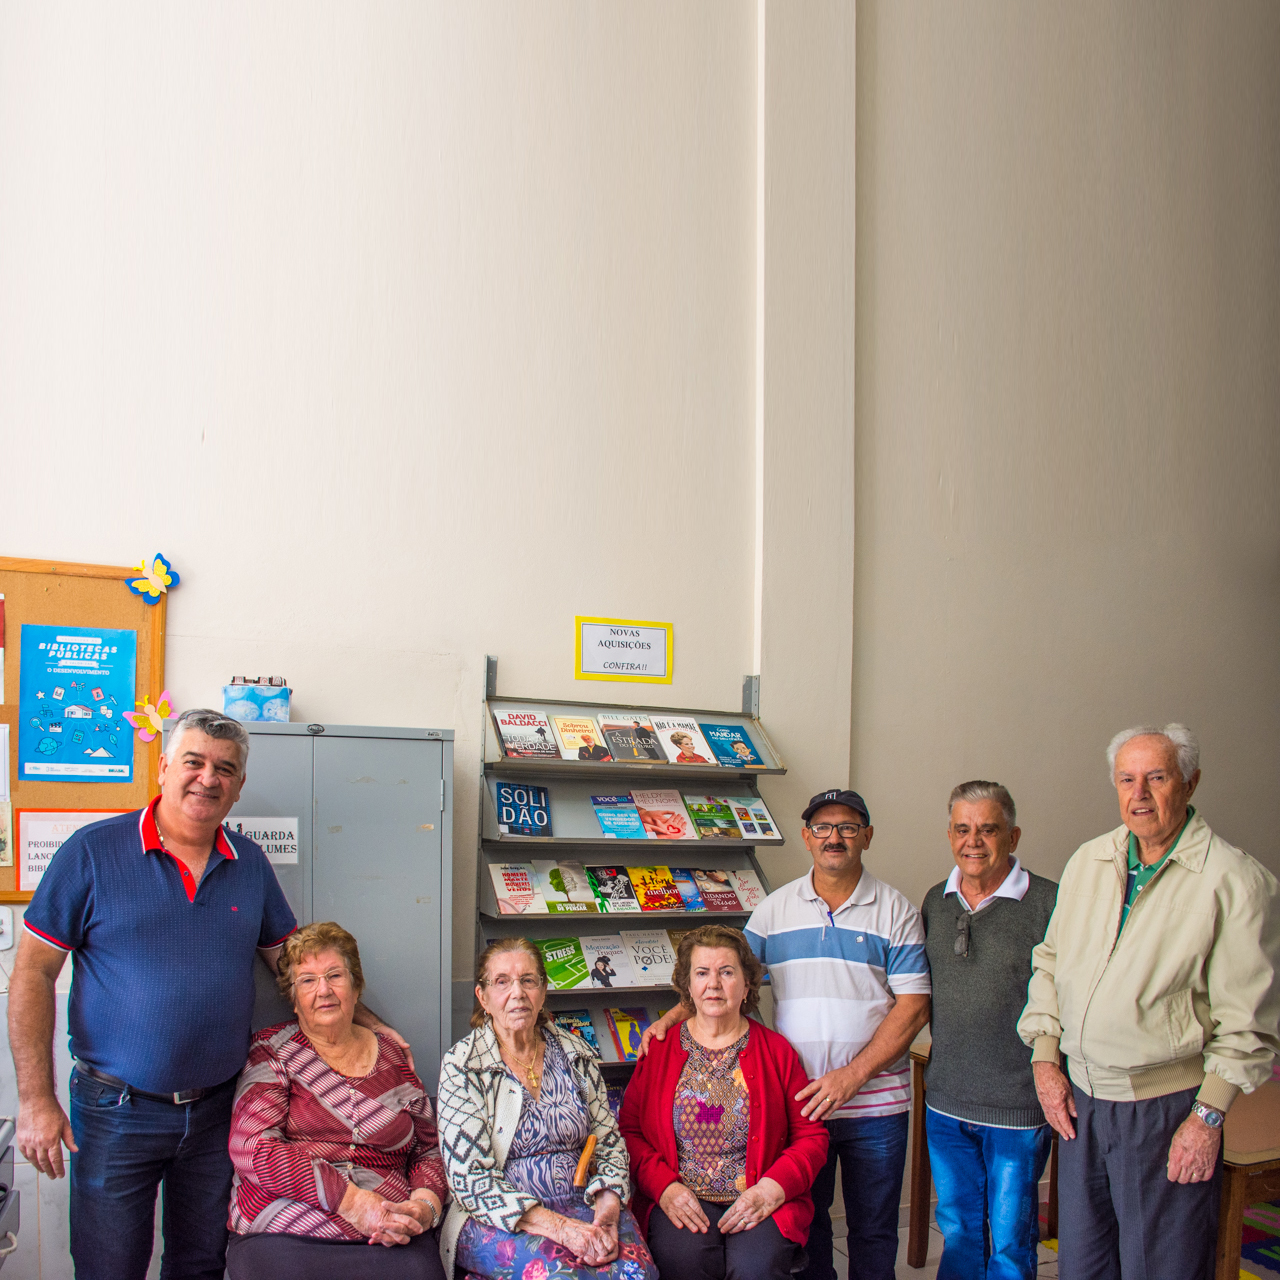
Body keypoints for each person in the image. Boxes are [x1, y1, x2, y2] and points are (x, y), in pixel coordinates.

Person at [7, 707, 407, 1280]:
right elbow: (32, 975)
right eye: (194, 762)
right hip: (116, 1111)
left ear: (239, 786)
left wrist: (371, 1027)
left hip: (219, 1109)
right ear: (165, 766)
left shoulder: (250, 864)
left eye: (225, 768)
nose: (208, 778)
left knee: (199, 1264)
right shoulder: (92, 853)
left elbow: (298, 968)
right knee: (107, 1266)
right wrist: (35, 1099)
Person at [1018, 724, 1280, 1280]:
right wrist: (1046, 1057)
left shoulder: (1235, 881)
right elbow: (1051, 961)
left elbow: (1248, 1024)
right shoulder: (1090, 859)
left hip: (1166, 1110)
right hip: (1082, 1103)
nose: (1139, 794)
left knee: (1161, 1266)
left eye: (1156, 778)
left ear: (1190, 783)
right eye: (1127, 779)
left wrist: (1206, 1118)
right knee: (1084, 1265)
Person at [645, 788, 931, 1280]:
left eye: (846, 827)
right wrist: (675, 1016)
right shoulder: (775, 911)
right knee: (809, 1227)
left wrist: (851, 1077)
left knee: (874, 1228)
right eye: (822, 828)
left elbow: (914, 1006)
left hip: (875, 1104)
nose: (834, 837)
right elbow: (723, 972)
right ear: (806, 837)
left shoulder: (896, 911)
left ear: (867, 836)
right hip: (794, 1103)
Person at [226, 922, 447, 1279]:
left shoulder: (393, 1056)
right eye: (308, 981)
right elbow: (252, 1148)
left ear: (356, 987)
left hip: (388, 1231)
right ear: (293, 997)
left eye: (334, 975)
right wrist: (352, 1201)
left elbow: (428, 1150)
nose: (324, 990)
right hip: (287, 1228)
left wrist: (424, 1208)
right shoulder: (273, 1052)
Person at [436, 938, 658, 1280]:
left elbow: (609, 1142)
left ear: (543, 990)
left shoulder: (576, 1052)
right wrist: (561, 1229)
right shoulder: (463, 1066)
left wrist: (609, 1213)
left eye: (528, 980)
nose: (517, 992)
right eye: (502, 982)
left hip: (586, 1205)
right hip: (500, 1217)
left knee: (635, 1274)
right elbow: (470, 1181)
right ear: (483, 997)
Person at [620, 925, 828, 1280]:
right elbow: (630, 1130)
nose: (713, 984)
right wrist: (664, 1187)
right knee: (684, 1260)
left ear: (747, 985)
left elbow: (812, 1137)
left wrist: (771, 1189)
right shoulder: (659, 1050)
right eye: (702, 973)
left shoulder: (777, 1053)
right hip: (681, 1194)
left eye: (727, 972)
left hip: (757, 1194)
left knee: (756, 1267)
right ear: (688, 986)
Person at [921, 782, 1058, 1280]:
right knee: (958, 1228)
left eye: (988, 829)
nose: (973, 841)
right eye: (962, 829)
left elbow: (1065, 999)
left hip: (1017, 1107)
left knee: (1009, 1239)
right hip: (947, 1100)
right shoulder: (937, 901)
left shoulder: (1048, 902)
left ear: (1013, 835)